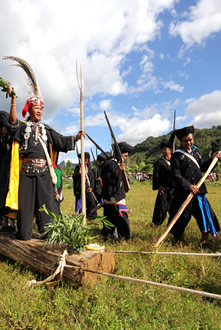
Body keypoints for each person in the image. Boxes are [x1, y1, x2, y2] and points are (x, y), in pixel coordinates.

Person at [7, 87, 85, 240]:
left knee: (46, 204)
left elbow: (61, 141)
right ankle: (24, 234)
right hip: (27, 171)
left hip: (44, 171)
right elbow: (12, 123)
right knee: (26, 205)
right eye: (36, 108)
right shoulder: (23, 127)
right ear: (30, 110)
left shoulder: (47, 129)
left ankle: (49, 235)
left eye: (41, 109)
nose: (39, 111)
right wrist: (13, 100)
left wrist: (76, 137)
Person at [168, 126, 221, 246]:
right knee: (182, 218)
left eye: (190, 140)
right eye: (186, 140)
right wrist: (188, 186)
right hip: (184, 193)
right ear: (181, 142)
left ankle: (205, 240)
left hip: (199, 192)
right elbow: (176, 175)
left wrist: (213, 160)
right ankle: (178, 240)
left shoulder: (197, 153)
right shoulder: (177, 156)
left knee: (205, 215)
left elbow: (203, 168)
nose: (189, 143)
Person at [100, 142, 134, 240]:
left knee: (110, 218)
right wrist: (118, 171)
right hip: (114, 197)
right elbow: (107, 179)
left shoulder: (115, 163)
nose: (125, 157)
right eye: (124, 155)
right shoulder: (109, 164)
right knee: (121, 219)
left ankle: (107, 235)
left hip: (115, 196)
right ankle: (122, 238)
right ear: (119, 154)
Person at [152, 140, 174, 226]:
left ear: (170, 150)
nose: (164, 151)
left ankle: (171, 224)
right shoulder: (160, 162)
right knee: (161, 208)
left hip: (174, 189)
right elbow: (156, 175)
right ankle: (157, 223)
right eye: (163, 150)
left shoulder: (175, 161)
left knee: (174, 208)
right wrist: (159, 186)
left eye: (166, 149)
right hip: (164, 189)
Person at [73, 152, 98, 220]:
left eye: (86, 160)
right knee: (79, 203)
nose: (85, 162)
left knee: (92, 202)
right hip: (80, 188)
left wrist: (91, 188)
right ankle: (78, 216)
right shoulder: (77, 168)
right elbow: (74, 178)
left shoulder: (89, 169)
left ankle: (91, 216)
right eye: (84, 160)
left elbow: (92, 180)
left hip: (87, 189)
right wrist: (78, 174)